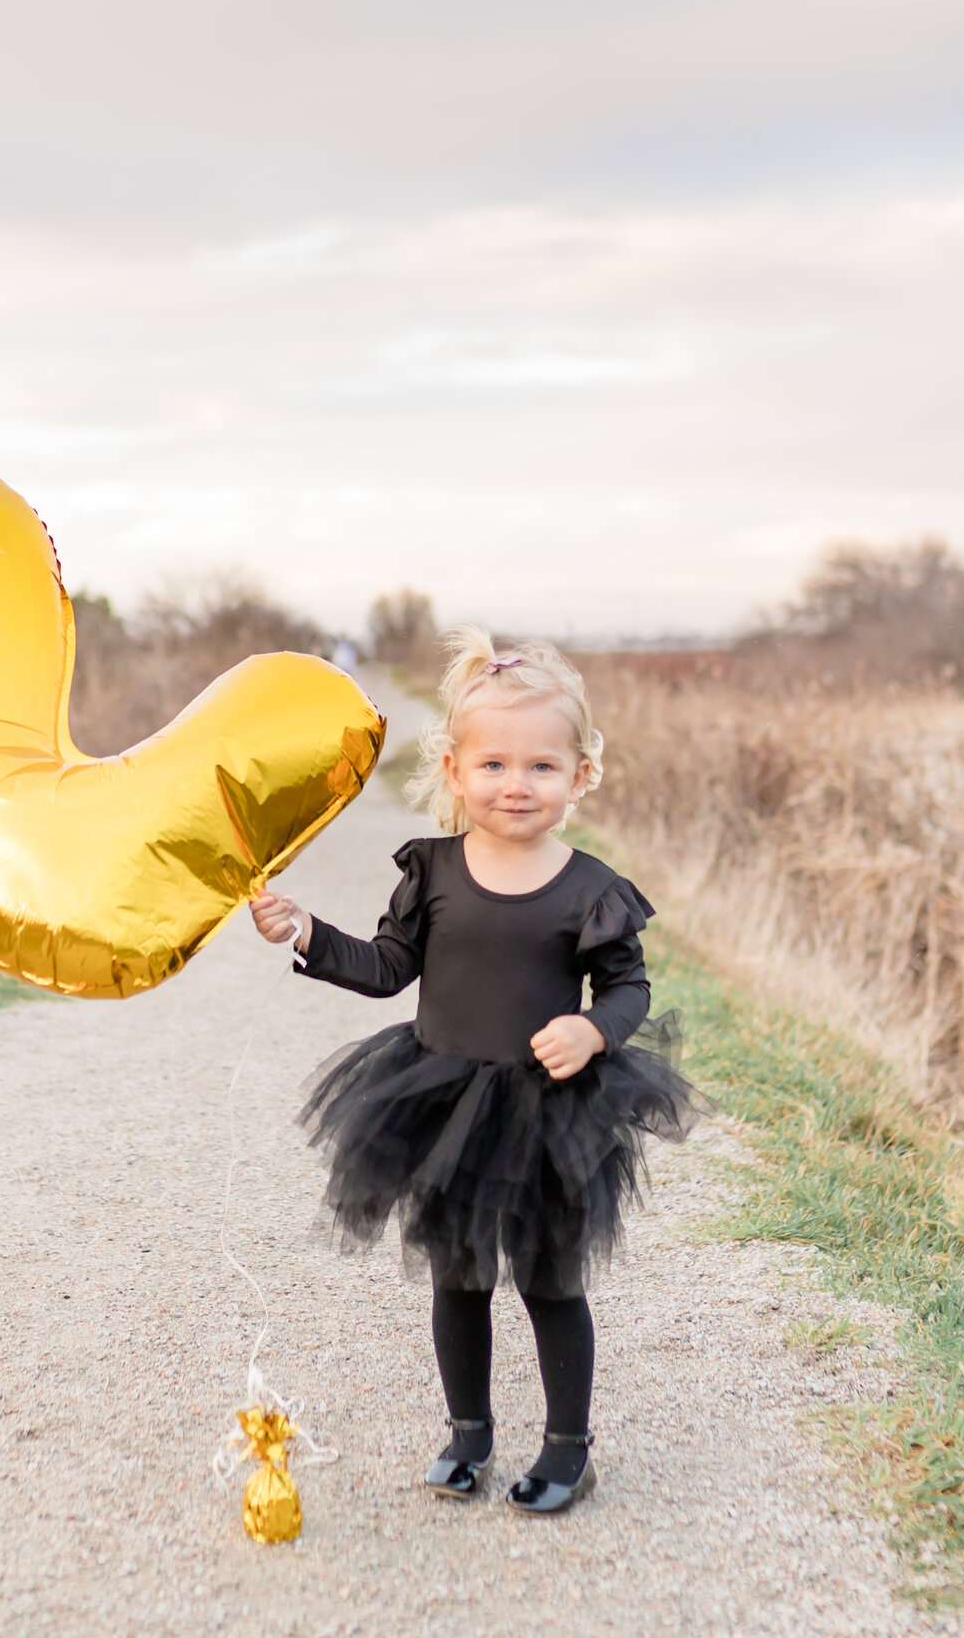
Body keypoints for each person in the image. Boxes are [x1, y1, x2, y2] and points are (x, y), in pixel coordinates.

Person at [250, 627, 703, 1516]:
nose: (516, 784)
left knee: (548, 1277)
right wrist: (306, 929)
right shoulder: (436, 871)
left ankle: (569, 1449)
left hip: (549, 1112)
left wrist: (592, 1029)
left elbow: (627, 985)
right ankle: (468, 1434)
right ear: (455, 772)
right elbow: (387, 966)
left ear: (580, 776)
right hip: (446, 1101)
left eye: (540, 766)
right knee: (459, 1274)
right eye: (494, 764)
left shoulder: (590, 888)